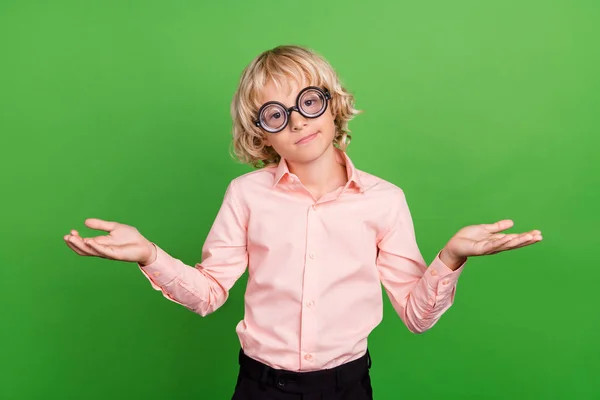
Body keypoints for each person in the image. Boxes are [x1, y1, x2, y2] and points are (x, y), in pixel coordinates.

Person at [63, 45, 543, 399]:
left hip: (347, 386)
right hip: (260, 386)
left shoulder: (384, 200)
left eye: (307, 101)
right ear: (261, 134)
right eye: (275, 114)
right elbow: (209, 294)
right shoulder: (246, 195)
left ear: (332, 103)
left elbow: (417, 316)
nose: (296, 121)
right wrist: (150, 254)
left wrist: (451, 257)